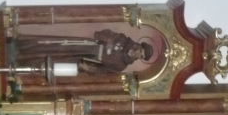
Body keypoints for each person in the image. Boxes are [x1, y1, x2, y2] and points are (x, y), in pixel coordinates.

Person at [13, 29, 154, 74]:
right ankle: (24, 45)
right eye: (140, 51)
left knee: (57, 60)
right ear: (139, 46)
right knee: (55, 45)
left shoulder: (121, 65)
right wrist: (108, 40)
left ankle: (24, 62)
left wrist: (88, 69)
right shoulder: (123, 39)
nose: (138, 54)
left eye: (141, 56)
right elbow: (101, 33)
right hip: (84, 46)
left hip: (85, 60)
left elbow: (103, 71)